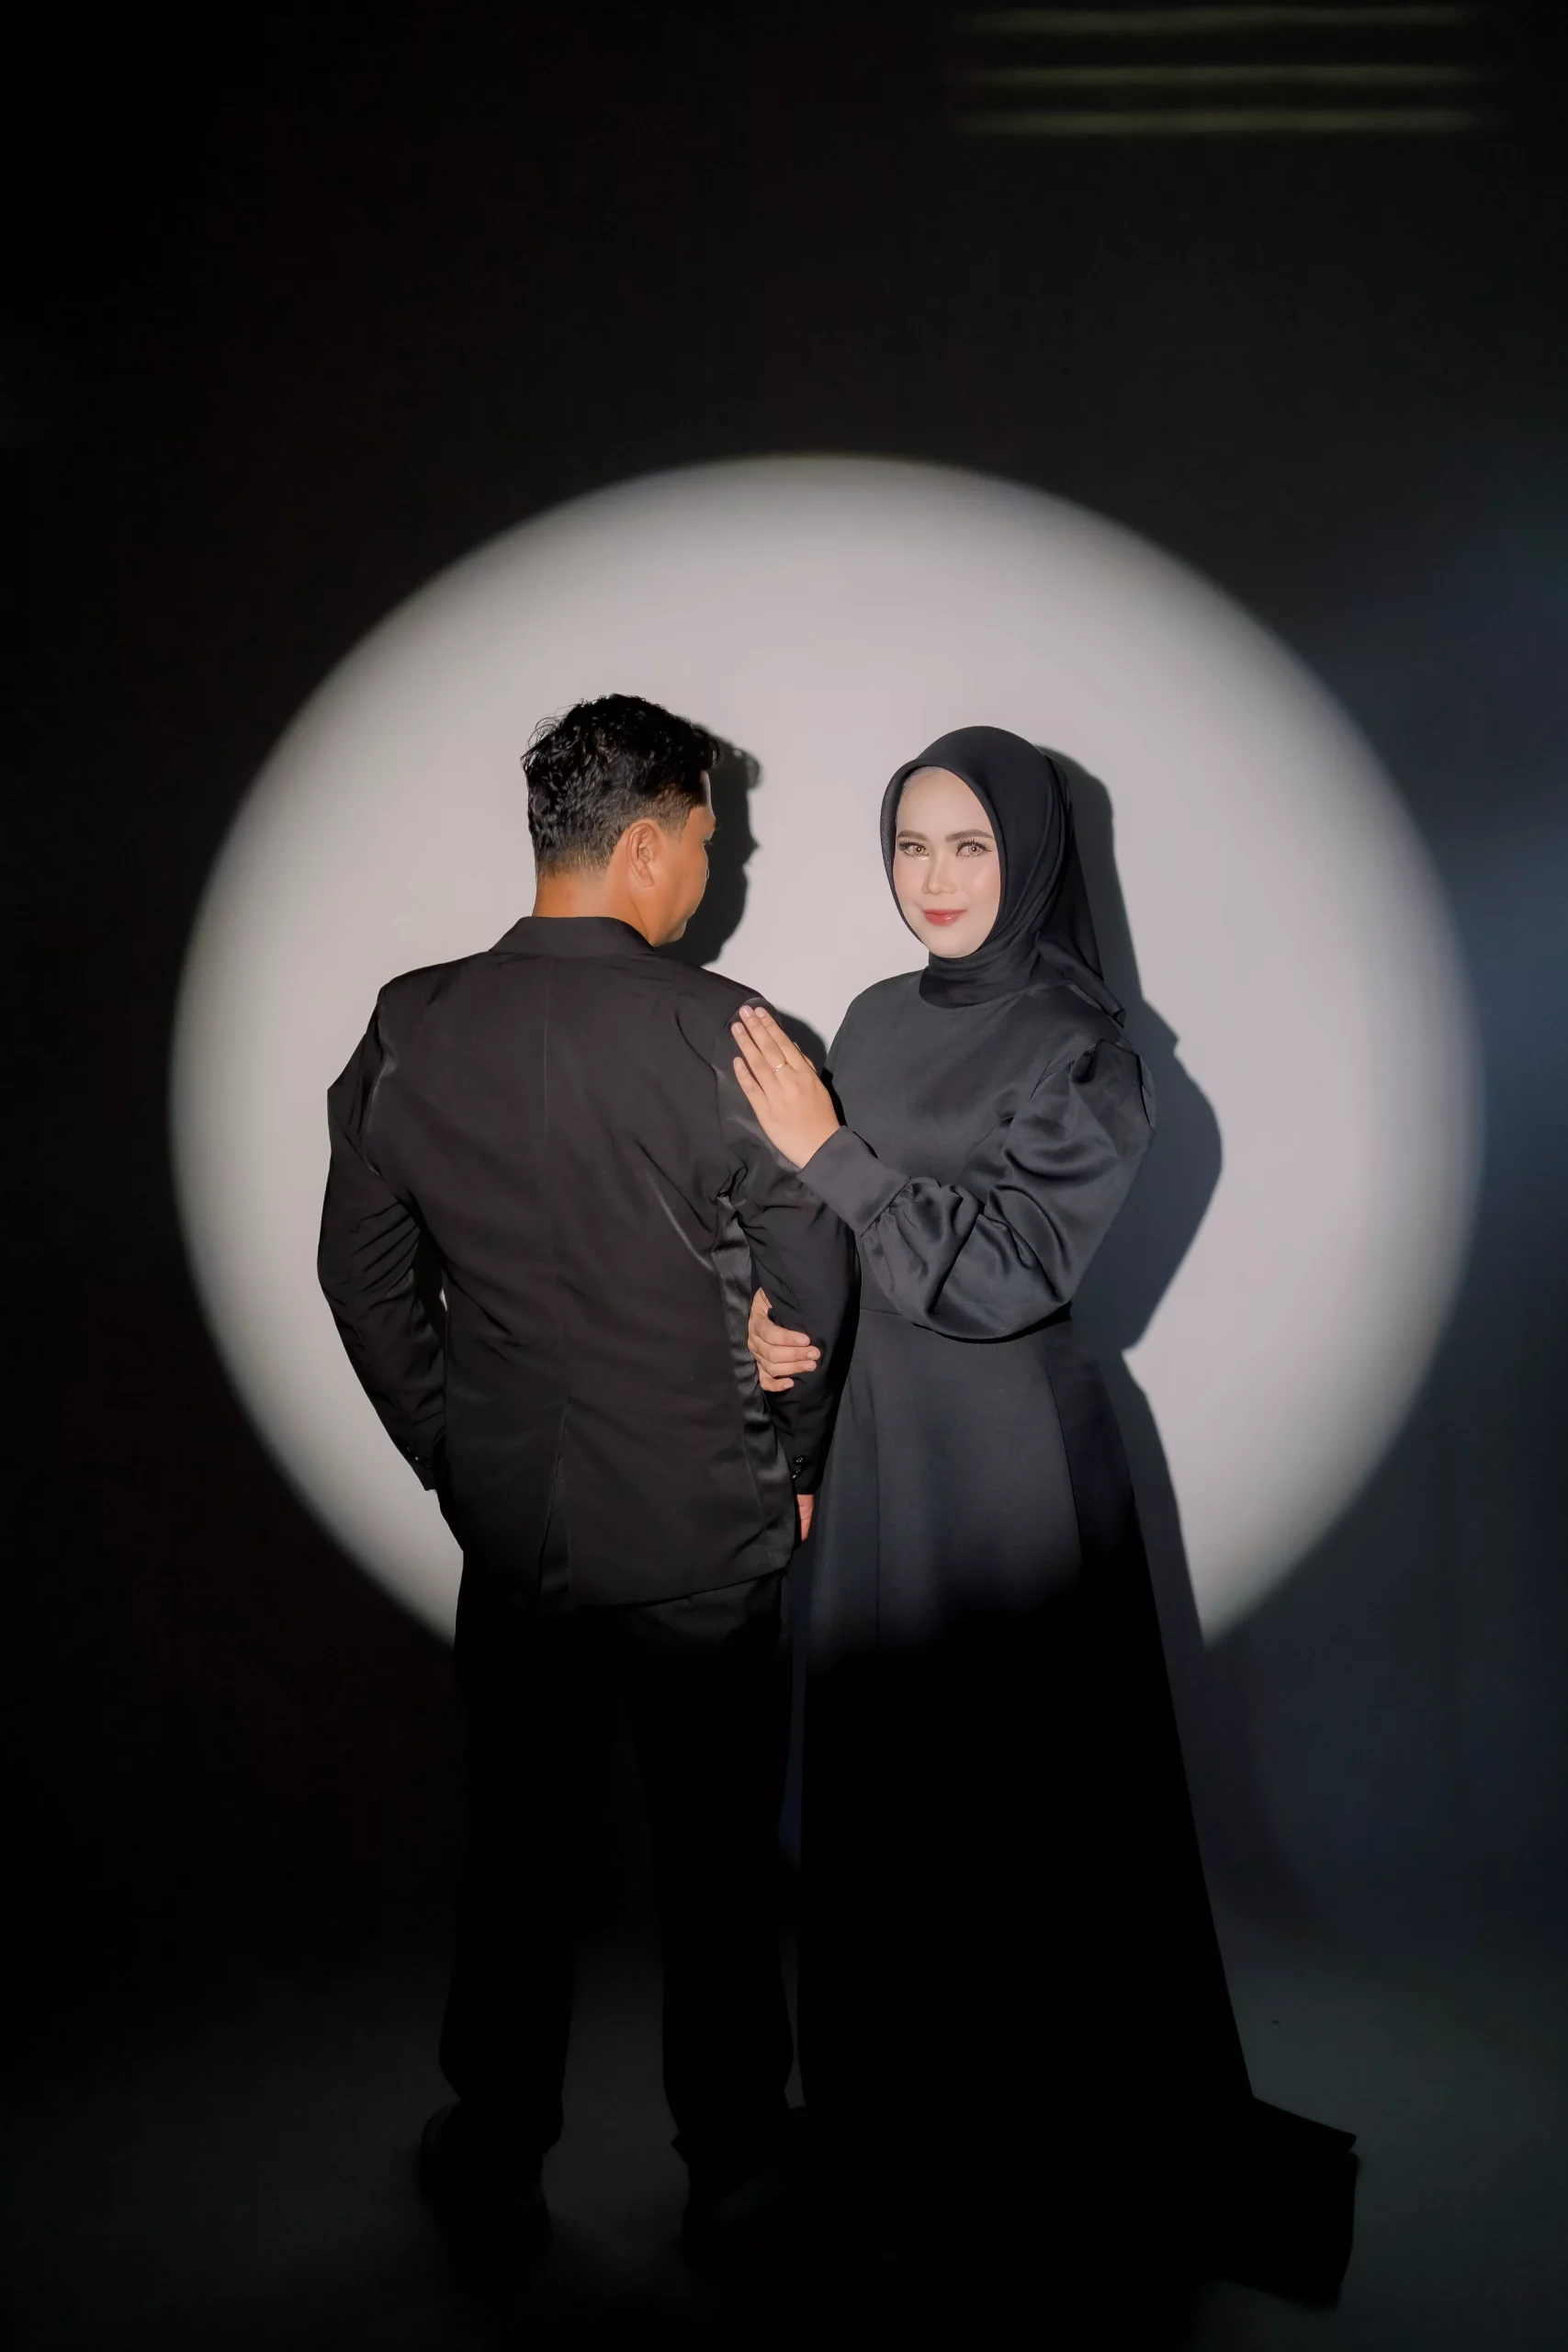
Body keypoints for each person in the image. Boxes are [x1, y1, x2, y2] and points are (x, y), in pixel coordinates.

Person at [317, 695, 855, 2255]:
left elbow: (362, 1279)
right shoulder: (731, 1033)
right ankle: (737, 2172)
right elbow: (817, 1275)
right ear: (643, 845)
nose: (714, 870)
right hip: (703, 1528)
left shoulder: (412, 1022)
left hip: (518, 1539)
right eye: (707, 839)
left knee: (518, 1859)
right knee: (718, 1869)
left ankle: (492, 2155)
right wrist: (797, 1463)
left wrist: (455, 1452)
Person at [731, 728, 1259, 2268]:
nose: (935, 879)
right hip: (881, 1447)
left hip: (1015, 1463)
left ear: (1027, 856)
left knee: (1021, 1814)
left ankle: (1051, 2177)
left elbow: (1010, 1273)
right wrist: (781, 1340)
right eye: (910, 845)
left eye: (968, 845)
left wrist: (827, 1151)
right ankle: (900, 2148)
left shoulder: (1086, 1045)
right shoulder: (870, 1017)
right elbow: (832, 1238)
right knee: (885, 1800)